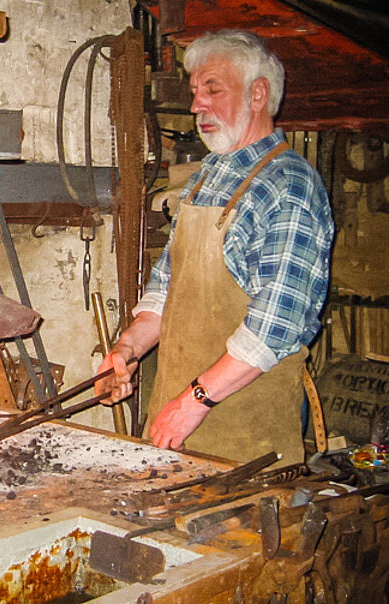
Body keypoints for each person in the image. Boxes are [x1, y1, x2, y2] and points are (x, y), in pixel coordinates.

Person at [96, 30, 334, 465]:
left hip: (244, 444)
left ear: (258, 93)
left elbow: (275, 326)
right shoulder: (209, 175)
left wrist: (194, 401)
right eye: (194, 92)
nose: (195, 106)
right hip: (177, 423)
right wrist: (126, 349)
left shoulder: (289, 185)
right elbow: (168, 288)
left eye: (212, 90)